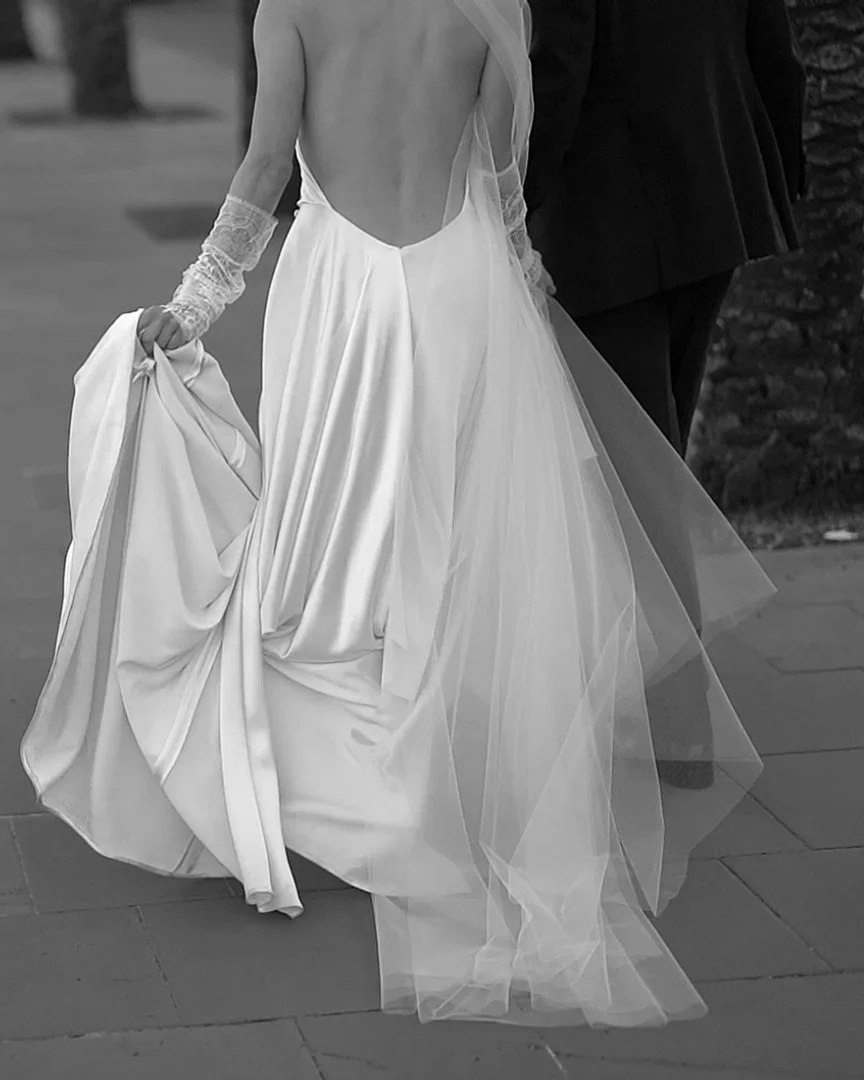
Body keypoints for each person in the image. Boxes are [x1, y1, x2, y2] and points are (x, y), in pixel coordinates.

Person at [22, 0, 774, 1028]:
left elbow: (262, 172)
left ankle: (345, 776)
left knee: (326, 534)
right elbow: (503, 183)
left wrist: (195, 304)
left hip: (339, 295)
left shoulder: (292, 7)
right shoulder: (487, 6)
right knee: (452, 527)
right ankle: (444, 765)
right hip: (462, 288)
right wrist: (520, 264)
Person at [526, 0, 807, 455]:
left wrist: (514, 201)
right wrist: (776, 166)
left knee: (634, 474)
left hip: (605, 224)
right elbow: (774, 38)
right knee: (660, 458)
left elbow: (559, 60)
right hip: (715, 192)